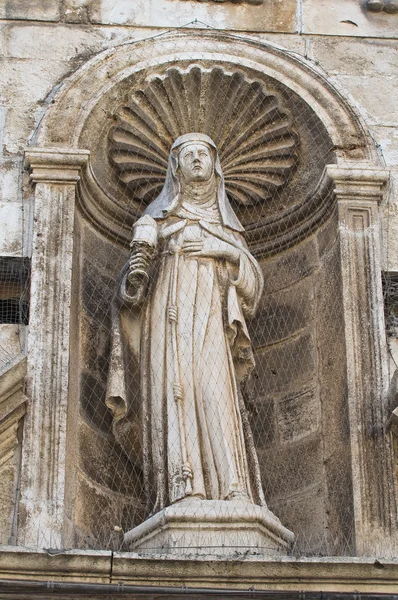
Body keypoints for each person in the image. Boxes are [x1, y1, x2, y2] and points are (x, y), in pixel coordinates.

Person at [106, 133, 267, 517]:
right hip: (169, 317)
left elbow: (253, 288)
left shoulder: (228, 227)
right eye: (188, 154)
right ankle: (183, 487)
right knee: (174, 389)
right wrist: (137, 273)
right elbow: (133, 289)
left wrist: (224, 250)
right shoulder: (157, 221)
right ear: (175, 167)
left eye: (203, 154)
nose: (197, 159)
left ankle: (232, 488)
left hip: (212, 318)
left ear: (215, 165)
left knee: (216, 396)